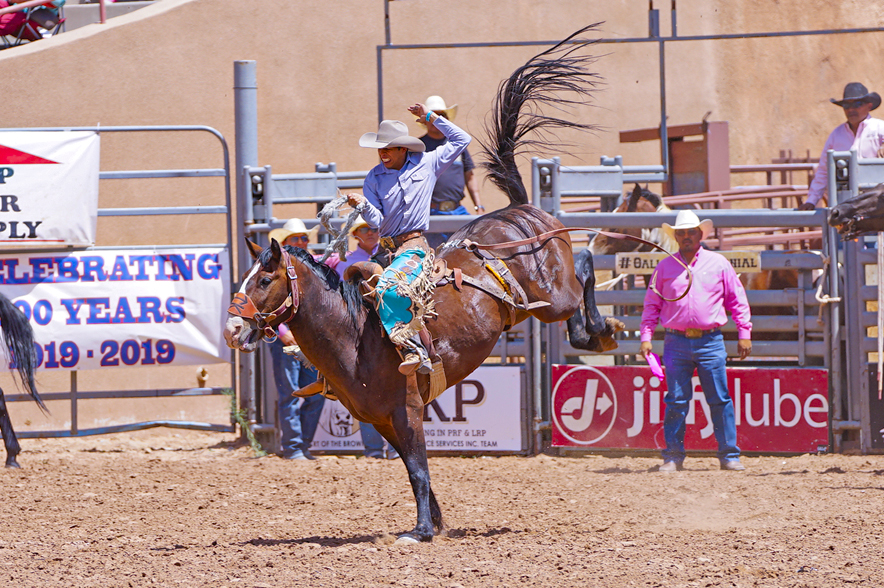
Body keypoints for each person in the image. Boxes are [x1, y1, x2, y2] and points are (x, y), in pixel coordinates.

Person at [347, 101, 471, 376]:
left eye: (388, 148)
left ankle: (414, 348)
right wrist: (364, 207)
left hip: (413, 249)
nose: (382, 153)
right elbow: (377, 222)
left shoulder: (428, 163)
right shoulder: (374, 178)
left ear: (403, 148)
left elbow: (462, 139)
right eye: (380, 148)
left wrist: (430, 117)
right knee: (349, 299)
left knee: (390, 287)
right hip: (384, 250)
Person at [639, 209, 752, 472]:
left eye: (691, 232)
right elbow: (651, 305)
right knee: (677, 399)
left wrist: (744, 332)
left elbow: (737, 300)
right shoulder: (665, 266)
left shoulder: (719, 263)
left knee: (719, 399)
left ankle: (728, 455)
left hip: (710, 341)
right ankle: (673, 456)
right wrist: (646, 336)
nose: (686, 236)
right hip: (676, 341)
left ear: (700, 234)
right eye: (682, 233)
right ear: (676, 236)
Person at [266, 218, 333, 460]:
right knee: (291, 393)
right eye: (297, 238)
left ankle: (302, 445)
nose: (303, 242)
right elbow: (270, 305)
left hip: (311, 342)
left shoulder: (312, 266)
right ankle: (293, 447)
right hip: (289, 341)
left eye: (305, 238)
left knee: (316, 393)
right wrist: (283, 333)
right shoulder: (275, 272)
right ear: (284, 244)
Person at [334, 215, 399, 459]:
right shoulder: (345, 262)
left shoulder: (392, 256)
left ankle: (393, 447)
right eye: (365, 229)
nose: (371, 232)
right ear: (355, 235)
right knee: (363, 386)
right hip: (360, 328)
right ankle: (373, 448)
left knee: (393, 383)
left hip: (388, 326)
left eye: (373, 228)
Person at [798, 82, 884, 211]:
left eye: (857, 104)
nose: (851, 110)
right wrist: (812, 200)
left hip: (875, 203)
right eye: (846, 106)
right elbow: (823, 170)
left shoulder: (879, 129)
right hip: (846, 203)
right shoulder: (836, 135)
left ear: (869, 106)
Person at [417, 96, 484, 248]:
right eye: (433, 115)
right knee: (434, 256)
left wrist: (478, 206)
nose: (436, 120)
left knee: (472, 247)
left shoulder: (457, 145)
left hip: (457, 210)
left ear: (446, 119)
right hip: (430, 213)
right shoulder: (418, 147)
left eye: (441, 116)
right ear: (426, 120)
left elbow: (470, 176)